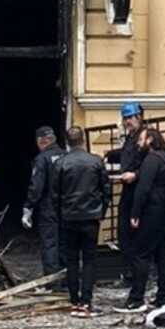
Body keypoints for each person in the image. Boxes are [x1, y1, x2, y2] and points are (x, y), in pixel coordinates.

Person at [115, 124, 165, 313]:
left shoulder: (151, 159)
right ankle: (163, 298)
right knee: (163, 255)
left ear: (150, 140)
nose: (138, 143)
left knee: (140, 254)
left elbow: (143, 189)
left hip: (153, 213)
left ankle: (136, 300)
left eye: (141, 140)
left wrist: (134, 214)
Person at [54, 126, 110, 316]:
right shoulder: (96, 162)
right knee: (89, 259)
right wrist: (101, 212)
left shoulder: (61, 163)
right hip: (90, 217)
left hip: (69, 217)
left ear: (67, 142)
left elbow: (55, 194)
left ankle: (74, 301)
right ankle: (86, 301)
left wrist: (59, 215)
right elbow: (105, 190)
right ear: (83, 139)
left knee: (71, 260)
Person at [109, 101, 145, 285]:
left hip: (140, 193)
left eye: (130, 118)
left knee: (135, 235)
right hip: (129, 191)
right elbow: (126, 156)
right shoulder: (131, 137)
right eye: (125, 118)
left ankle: (137, 277)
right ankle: (130, 274)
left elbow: (151, 165)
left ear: (139, 117)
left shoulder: (145, 137)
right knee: (124, 234)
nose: (127, 122)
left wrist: (135, 175)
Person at [22, 125, 65, 277]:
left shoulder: (41, 160)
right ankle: (66, 280)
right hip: (67, 206)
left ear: (41, 142)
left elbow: (36, 187)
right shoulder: (66, 155)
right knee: (64, 243)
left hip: (48, 207)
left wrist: (28, 208)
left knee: (50, 243)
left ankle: (52, 282)